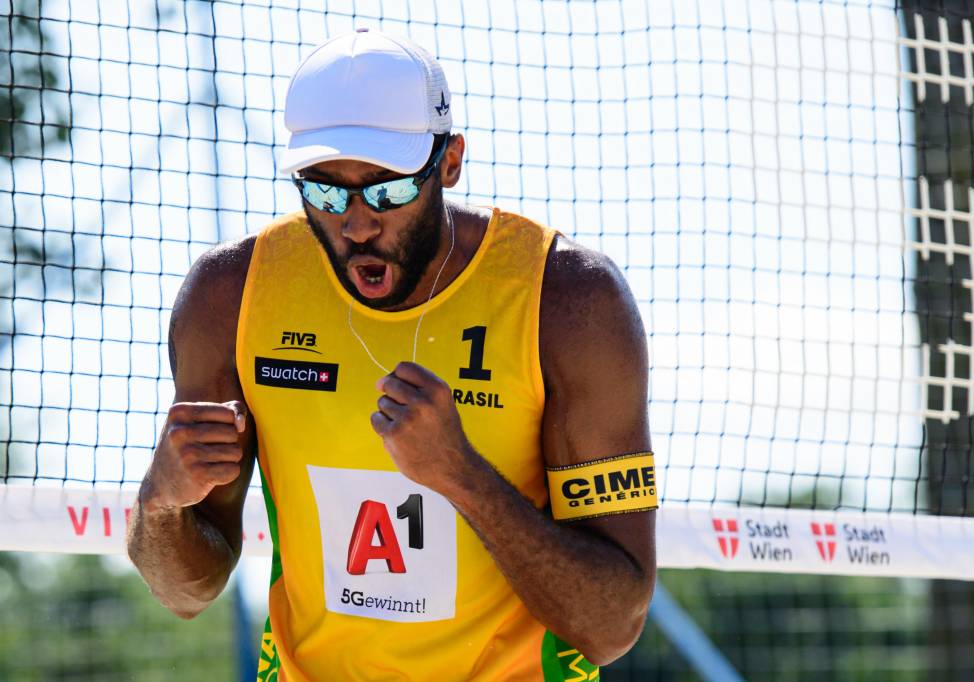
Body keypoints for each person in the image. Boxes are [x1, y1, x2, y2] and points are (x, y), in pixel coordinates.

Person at [127, 29, 656, 681]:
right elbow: (188, 591)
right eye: (324, 192)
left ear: (450, 162)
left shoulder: (568, 301)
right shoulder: (230, 296)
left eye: (386, 191)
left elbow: (611, 628)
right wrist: (159, 503)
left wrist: (460, 473)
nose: (356, 224)